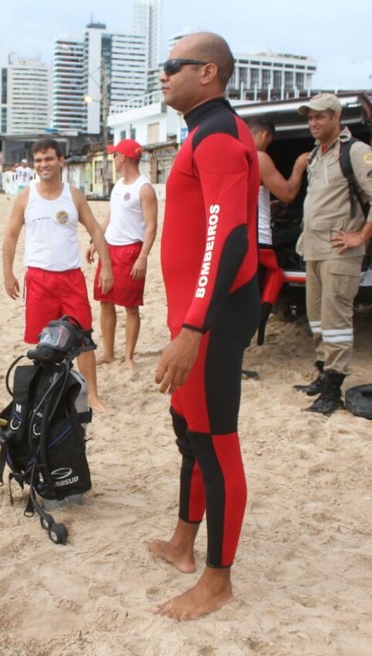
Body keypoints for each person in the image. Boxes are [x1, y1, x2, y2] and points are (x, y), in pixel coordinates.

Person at [146, 32, 260, 621]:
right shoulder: (206, 130)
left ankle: (217, 582)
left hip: (210, 318)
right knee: (190, 433)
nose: (162, 75)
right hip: (194, 315)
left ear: (208, 72)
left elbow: (230, 238)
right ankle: (184, 545)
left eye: (172, 66)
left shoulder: (216, 136)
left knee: (216, 446)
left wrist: (194, 328)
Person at [293, 93, 372, 415]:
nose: (313, 122)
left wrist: (361, 236)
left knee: (336, 322)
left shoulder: (355, 152)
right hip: (313, 250)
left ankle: (332, 391)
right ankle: (323, 375)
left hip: (339, 252)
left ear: (336, 118)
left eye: (319, 117)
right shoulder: (315, 156)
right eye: (309, 117)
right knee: (318, 319)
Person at [3, 138, 113, 412]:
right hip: (39, 280)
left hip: (71, 278)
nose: (43, 165)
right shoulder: (26, 196)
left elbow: (96, 230)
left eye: (49, 159)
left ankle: (92, 398)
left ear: (60, 160)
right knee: (44, 341)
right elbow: (11, 235)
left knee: (83, 339)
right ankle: (46, 394)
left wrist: (107, 266)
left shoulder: (73, 195)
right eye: (38, 160)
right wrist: (8, 273)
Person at [84, 138, 158, 369]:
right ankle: (108, 352)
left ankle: (128, 356)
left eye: (115, 155)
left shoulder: (144, 188)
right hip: (110, 249)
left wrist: (143, 256)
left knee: (130, 306)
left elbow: (151, 225)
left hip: (131, 250)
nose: (113, 158)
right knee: (105, 302)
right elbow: (110, 216)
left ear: (123, 158)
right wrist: (96, 241)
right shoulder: (118, 185)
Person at [246, 116, 308, 345]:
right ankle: (258, 328)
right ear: (264, 135)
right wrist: (299, 167)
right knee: (297, 237)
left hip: (237, 237)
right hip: (258, 241)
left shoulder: (232, 156)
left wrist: (266, 204)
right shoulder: (259, 157)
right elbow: (289, 193)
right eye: (269, 142)